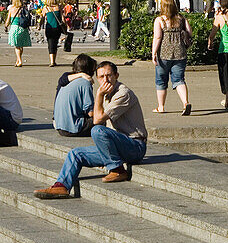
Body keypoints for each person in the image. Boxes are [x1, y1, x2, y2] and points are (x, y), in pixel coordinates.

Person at [34, 61, 147, 198]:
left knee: (97, 130)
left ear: (116, 75)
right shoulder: (106, 93)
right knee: (75, 154)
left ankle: (117, 170)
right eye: (101, 77)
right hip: (117, 148)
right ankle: (61, 187)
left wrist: (98, 95)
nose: (105, 80)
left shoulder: (123, 94)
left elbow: (97, 120)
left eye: (109, 75)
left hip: (134, 146)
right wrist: (106, 151)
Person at [151, 0, 192, 115]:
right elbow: (189, 32)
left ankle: (161, 106)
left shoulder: (160, 20)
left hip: (163, 55)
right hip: (180, 53)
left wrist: (153, 53)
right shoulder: (181, 19)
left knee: (161, 81)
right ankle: (185, 102)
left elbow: (157, 37)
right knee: (179, 80)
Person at [53, 54, 97, 137]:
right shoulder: (85, 83)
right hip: (74, 128)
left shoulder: (68, 79)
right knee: (103, 119)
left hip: (59, 125)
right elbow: (90, 112)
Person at [5, 0, 31, 68]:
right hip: (23, 28)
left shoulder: (11, 9)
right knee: (21, 45)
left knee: (17, 46)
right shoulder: (23, 9)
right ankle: (17, 60)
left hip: (14, 28)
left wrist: (6, 26)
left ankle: (19, 60)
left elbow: (8, 20)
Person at [42, 0, 64, 67]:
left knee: (50, 44)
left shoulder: (46, 8)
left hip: (49, 28)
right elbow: (62, 18)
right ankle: (54, 60)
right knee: (55, 43)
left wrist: (39, 25)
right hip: (57, 28)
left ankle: (52, 61)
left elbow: (42, 18)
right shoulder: (58, 7)